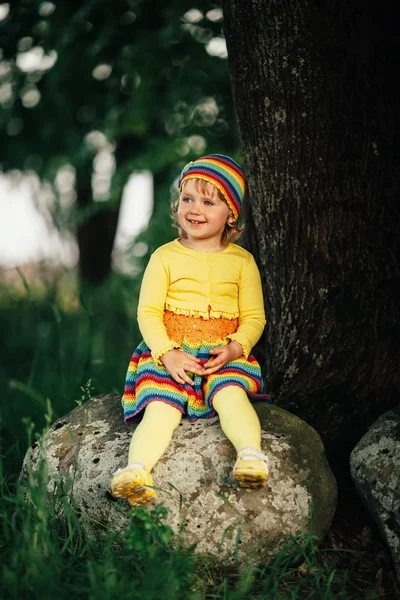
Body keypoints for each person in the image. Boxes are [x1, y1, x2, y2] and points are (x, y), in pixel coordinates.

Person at [111, 154, 270, 506]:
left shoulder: (243, 262)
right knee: (161, 407)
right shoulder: (164, 257)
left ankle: (250, 456)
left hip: (220, 353)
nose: (194, 209)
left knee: (232, 396)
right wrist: (167, 353)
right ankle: (136, 471)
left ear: (230, 214)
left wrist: (235, 348)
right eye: (187, 198)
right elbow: (148, 312)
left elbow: (255, 317)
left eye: (208, 201)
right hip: (172, 351)